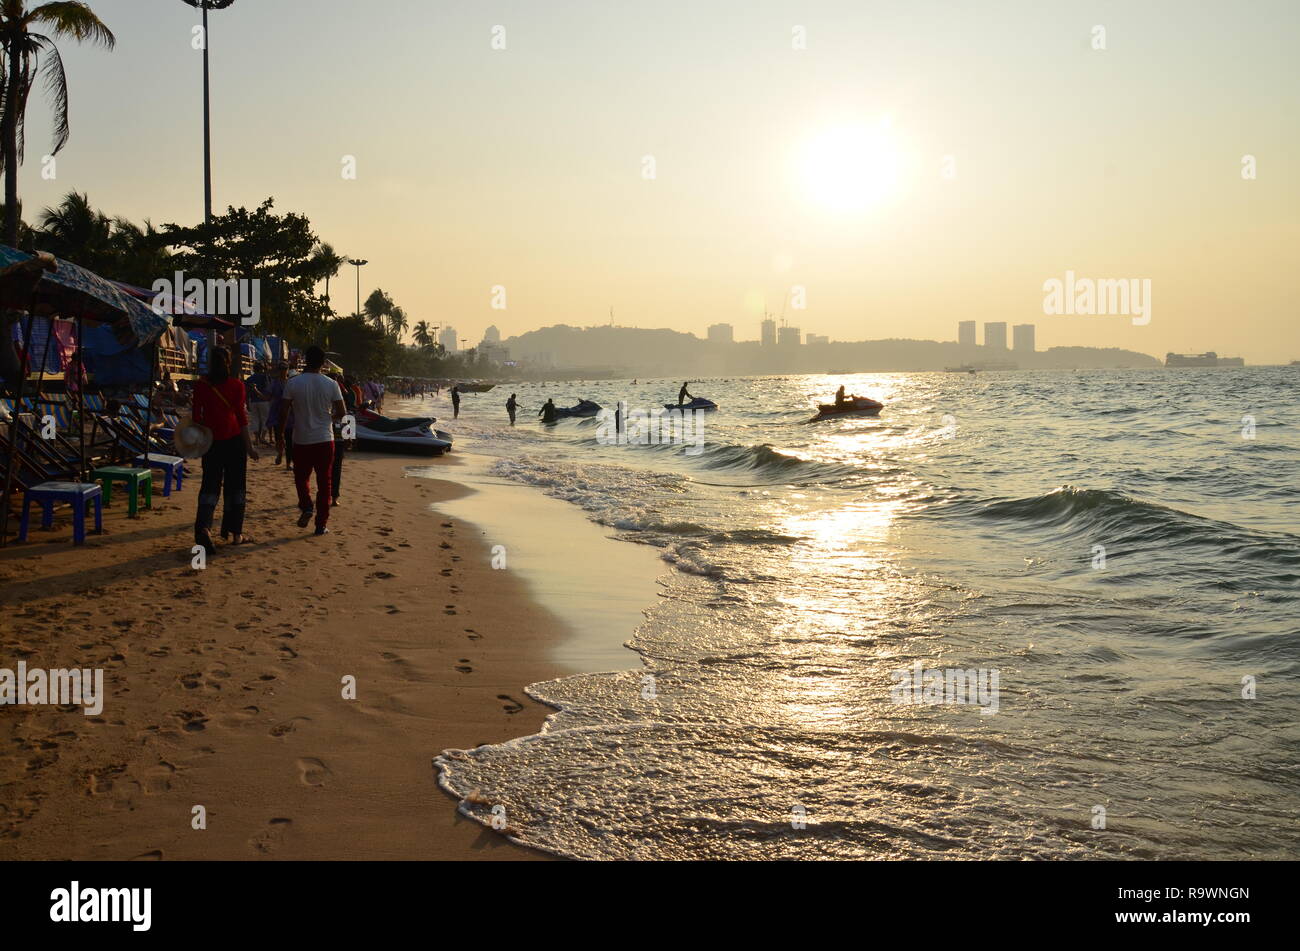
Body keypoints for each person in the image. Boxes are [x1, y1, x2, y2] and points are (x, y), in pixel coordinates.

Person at [191, 347, 259, 554]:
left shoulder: (201, 386)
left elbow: (196, 418)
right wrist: (250, 447)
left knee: (209, 487)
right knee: (236, 487)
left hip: (211, 443)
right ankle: (236, 534)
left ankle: (204, 528)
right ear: (229, 363)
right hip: (235, 442)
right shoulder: (237, 385)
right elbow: (241, 418)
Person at [277, 345, 345, 536]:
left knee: (301, 479)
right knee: (325, 483)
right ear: (323, 363)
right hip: (324, 439)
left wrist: (280, 436)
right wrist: (327, 419)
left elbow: (283, 411)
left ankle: (306, 506)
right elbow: (342, 412)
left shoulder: (293, 382)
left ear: (305, 360)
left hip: (301, 440)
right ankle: (320, 525)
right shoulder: (331, 384)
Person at [246, 362, 271, 446]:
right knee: (265, 419)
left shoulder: (250, 379)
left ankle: (256, 440)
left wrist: (247, 403)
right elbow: (268, 389)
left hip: (253, 401)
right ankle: (263, 438)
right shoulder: (265, 377)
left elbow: (247, 392)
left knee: (255, 419)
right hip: (264, 401)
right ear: (262, 369)